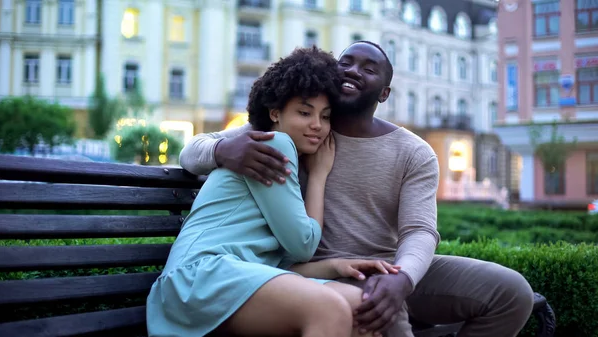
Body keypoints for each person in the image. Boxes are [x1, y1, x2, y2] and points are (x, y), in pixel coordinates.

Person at [178, 41, 536, 337]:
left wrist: (404, 279)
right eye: (345, 62)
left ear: (385, 92)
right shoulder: (297, 129)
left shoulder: (413, 151)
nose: (352, 70)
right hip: (314, 273)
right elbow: (191, 152)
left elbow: (420, 231)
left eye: (368, 68)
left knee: (511, 292)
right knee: (376, 313)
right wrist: (222, 149)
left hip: (387, 266)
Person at [146, 46, 401, 337]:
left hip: (238, 277)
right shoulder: (271, 145)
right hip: (198, 278)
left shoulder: (291, 151)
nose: (317, 126)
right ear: (275, 112)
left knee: (361, 308)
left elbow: (272, 264)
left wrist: (335, 266)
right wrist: (318, 177)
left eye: (326, 116)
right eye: (305, 113)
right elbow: (303, 245)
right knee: (328, 308)